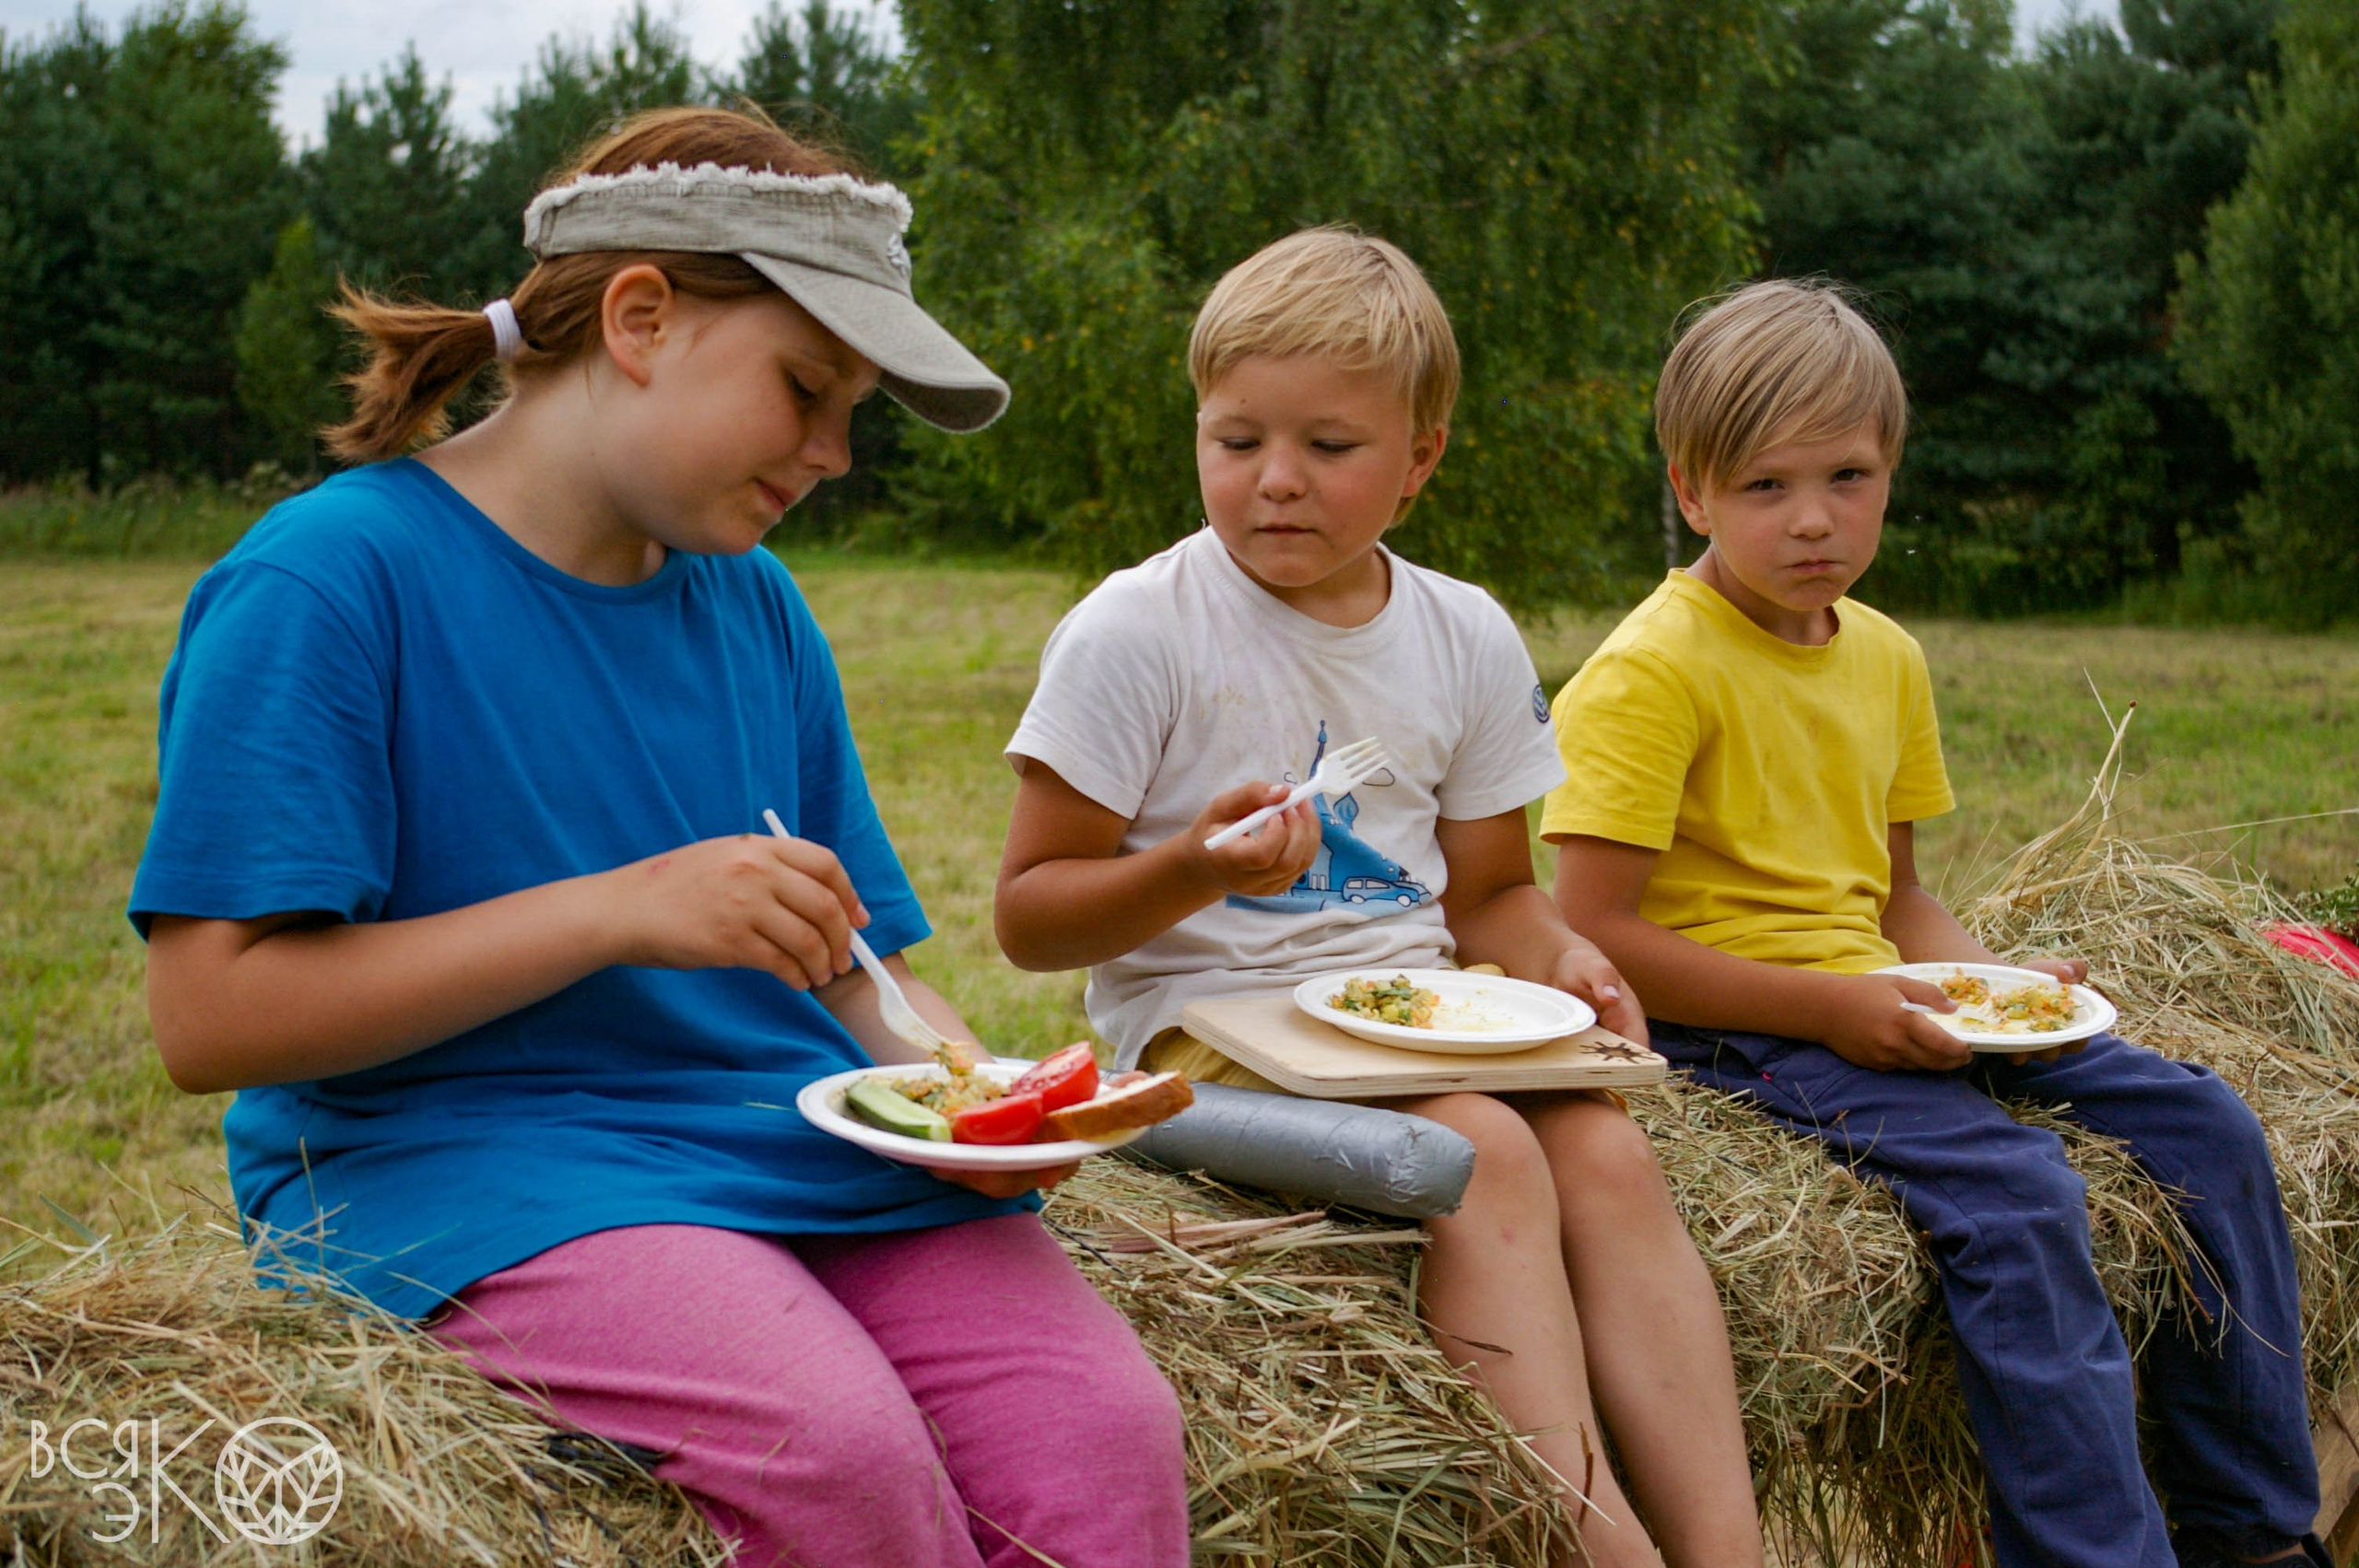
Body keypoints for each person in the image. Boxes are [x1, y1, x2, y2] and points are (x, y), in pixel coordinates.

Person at [130, 107, 1188, 1568]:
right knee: (835, 1454)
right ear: (641, 319)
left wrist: (979, 1106)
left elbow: (852, 969)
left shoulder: (753, 606)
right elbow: (209, 1016)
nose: (831, 452)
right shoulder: (330, 583)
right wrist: (620, 911)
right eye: (807, 387)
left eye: (856, 410)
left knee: (1102, 1429)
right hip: (459, 1164)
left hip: (779, 1142)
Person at [993, 228, 1763, 1568]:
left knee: (1609, 1151)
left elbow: (1496, 895)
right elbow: (1028, 914)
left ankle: (1731, 1550)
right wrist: (1191, 867)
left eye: (1330, 448)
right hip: (1200, 1045)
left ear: (1421, 458)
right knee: (1488, 1154)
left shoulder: (1462, 632)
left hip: (1411, 1016)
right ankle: (1593, 1542)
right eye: (1236, 441)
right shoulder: (1138, 630)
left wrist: (1563, 958)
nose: (1275, 482)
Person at [1547, 278, 2326, 1568]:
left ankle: (2252, 1527)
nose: (1814, 519)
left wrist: (1988, 983)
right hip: (1730, 1031)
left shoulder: (1886, 655)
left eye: (1848, 476)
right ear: (1690, 491)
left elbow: (1895, 893)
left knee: (2211, 1126)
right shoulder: (1650, 671)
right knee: (2023, 1200)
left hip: (1872, 1000)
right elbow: (1597, 940)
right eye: (1765, 487)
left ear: (1893, 468)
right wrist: (1840, 1008)